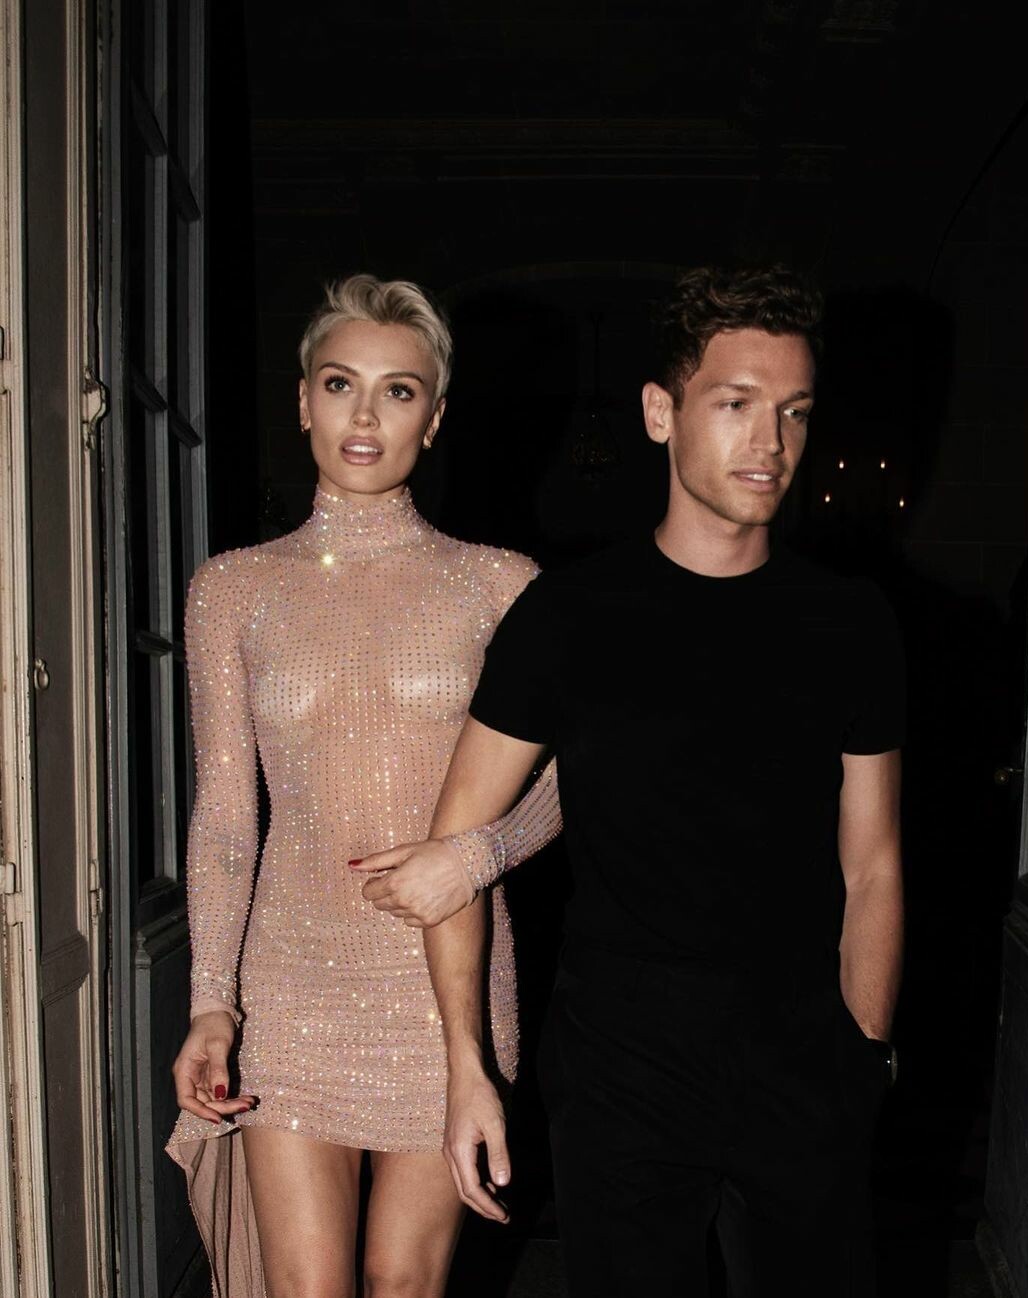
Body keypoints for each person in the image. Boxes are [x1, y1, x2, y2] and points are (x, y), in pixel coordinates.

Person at [355, 265, 905, 1297]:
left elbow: (872, 864)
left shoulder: (851, 622)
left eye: (793, 411)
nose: (770, 442)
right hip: (620, 1068)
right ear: (661, 413)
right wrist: (467, 1066)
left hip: (800, 1061)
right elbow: (456, 838)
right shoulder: (568, 616)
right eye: (735, 404)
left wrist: (864, 1054)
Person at [166, 274, 561, 1298]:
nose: (366, 416)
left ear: (435, 417)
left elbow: (570, 779)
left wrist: (475, 854)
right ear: (304, 400)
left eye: (400, 391)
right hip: (290, 985)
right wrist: (212, 1003)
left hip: (446, 988)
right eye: (341, 384)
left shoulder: (501, 585)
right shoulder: (232, 589)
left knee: (402, 1284)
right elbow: (225, 817)